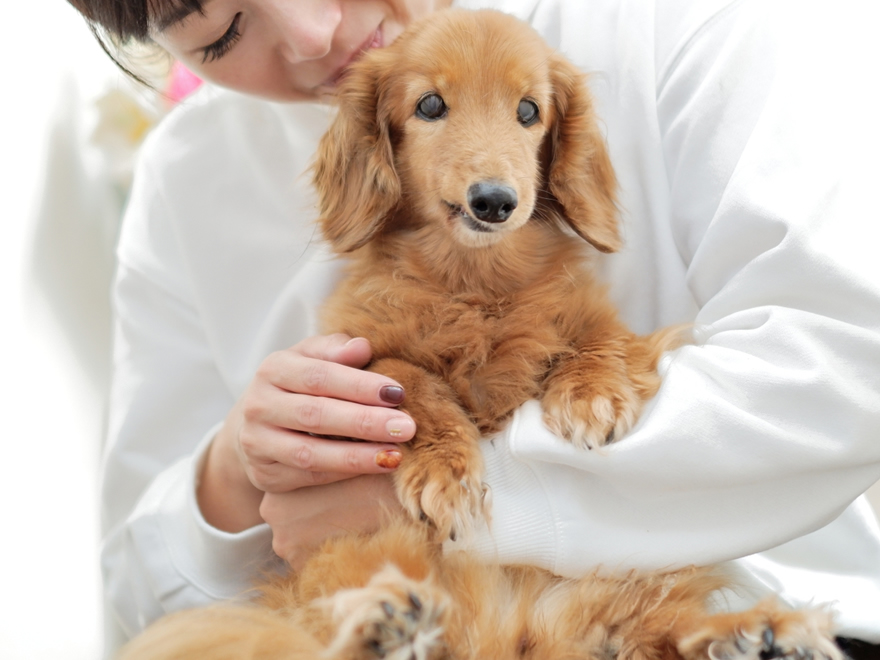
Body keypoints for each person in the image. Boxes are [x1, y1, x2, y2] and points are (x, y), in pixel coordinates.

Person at [66, 0, 880, 655]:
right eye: (222, 34)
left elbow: (849, 359)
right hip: (395, 626)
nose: (314, 33)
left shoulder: (684, 20)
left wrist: (474, 488)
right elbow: (139, 584)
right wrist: (240, 473)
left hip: (755, 611)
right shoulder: (183, 180)